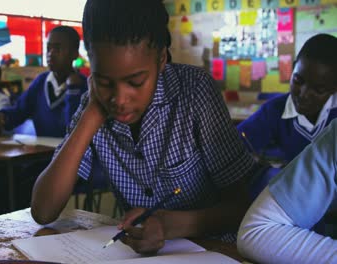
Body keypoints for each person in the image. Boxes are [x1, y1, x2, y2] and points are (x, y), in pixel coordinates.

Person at [31, 0, 257, 254]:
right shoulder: (93, 105)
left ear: (161, 59)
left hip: (211, 250)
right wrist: (92, 114)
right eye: (105, 82)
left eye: (136, 82)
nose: (120, 99)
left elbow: (242, 207)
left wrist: (169, 225)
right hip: (139, 255)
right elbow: (43, 211)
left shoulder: (194, 92)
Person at [237, 34, 337, 198]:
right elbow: (234, 146)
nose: (303, 94)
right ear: (292, 68)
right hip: (286, 200)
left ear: (334, 88)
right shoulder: (274, 111)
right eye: (298, 80)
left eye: (318, 90)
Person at [237, 119, 337, 264]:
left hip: (304, 194)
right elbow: (242, 136)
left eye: (318, 93)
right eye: (298, 93)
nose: (304, 95)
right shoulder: (274, 109)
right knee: (269, 175)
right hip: (298, 194)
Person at [0, 26, 87, 137]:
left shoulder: (84, 87)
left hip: (73, 153)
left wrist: (73, 91)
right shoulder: (41, 82)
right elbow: (20, 110)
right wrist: (4, 117)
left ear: (74, 54)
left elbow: (75, 129)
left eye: (57, 49)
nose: (50, 54)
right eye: (48, 48)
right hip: (42, 150)